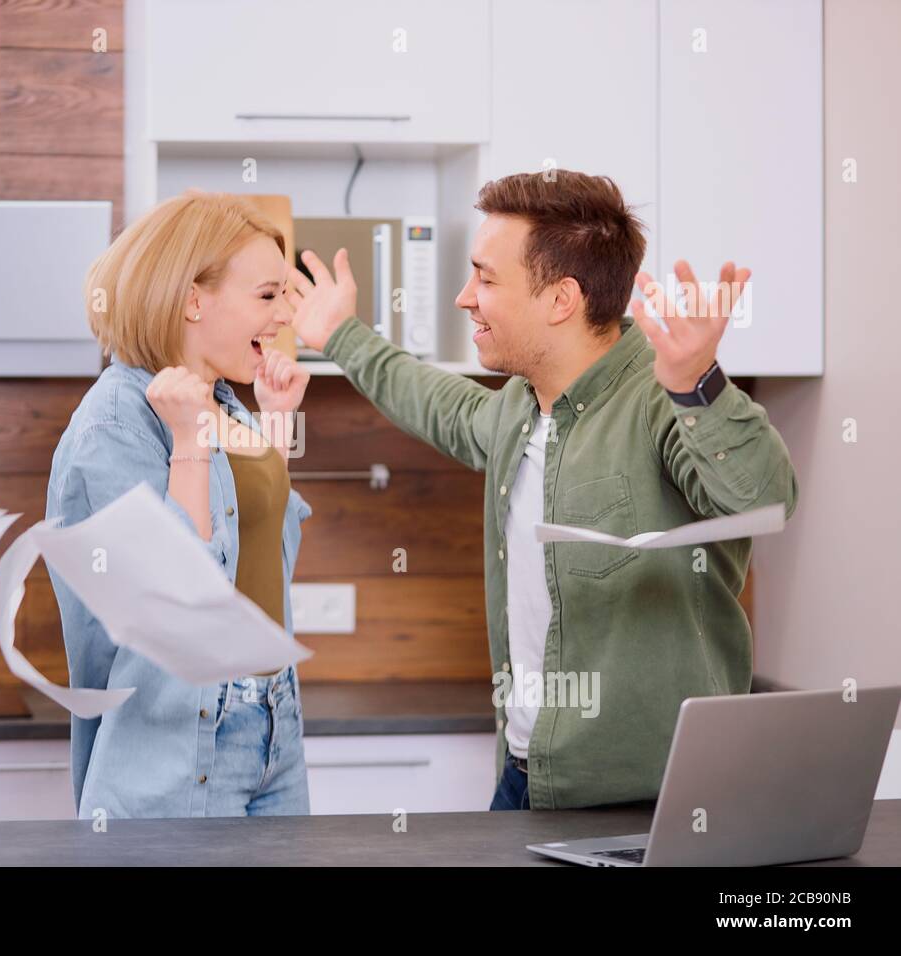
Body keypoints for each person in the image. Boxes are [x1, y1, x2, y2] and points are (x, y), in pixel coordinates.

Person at [287, 169, 798, 810]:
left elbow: (763, 499)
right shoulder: (519, 409)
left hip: (650, 799)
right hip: (526, 779)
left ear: (560, 299)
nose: (465, 297)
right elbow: (433, 400)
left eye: (486, 277)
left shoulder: (660, 400)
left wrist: (700, 386)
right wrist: (341, 334)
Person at [47, 190, 314, 818]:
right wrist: (190, 444)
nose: (283, 316)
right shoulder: (117, 422)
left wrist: (274, 431)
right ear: (194, 297)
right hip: (180, 739)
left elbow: (261, 558)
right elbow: (167, 605)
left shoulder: (223, 401)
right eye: (268, 295)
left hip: (274, 717)